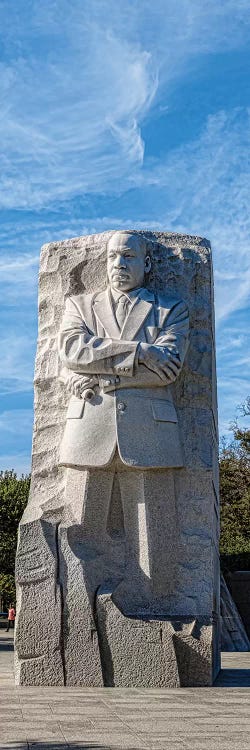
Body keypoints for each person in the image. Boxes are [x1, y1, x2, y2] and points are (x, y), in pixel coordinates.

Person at [58, 230, 189, 612]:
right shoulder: (79, 305)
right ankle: (78, 612)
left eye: (129, 257)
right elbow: (71, 351)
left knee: (154, 533)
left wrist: (100, 371)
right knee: (79, 528)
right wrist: (139, 351)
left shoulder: (170, 308)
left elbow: (168, 371)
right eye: (114, 256)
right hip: (88, 428)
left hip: (151, 432)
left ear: (146, 264)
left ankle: (156, 610)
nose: (119, 264)